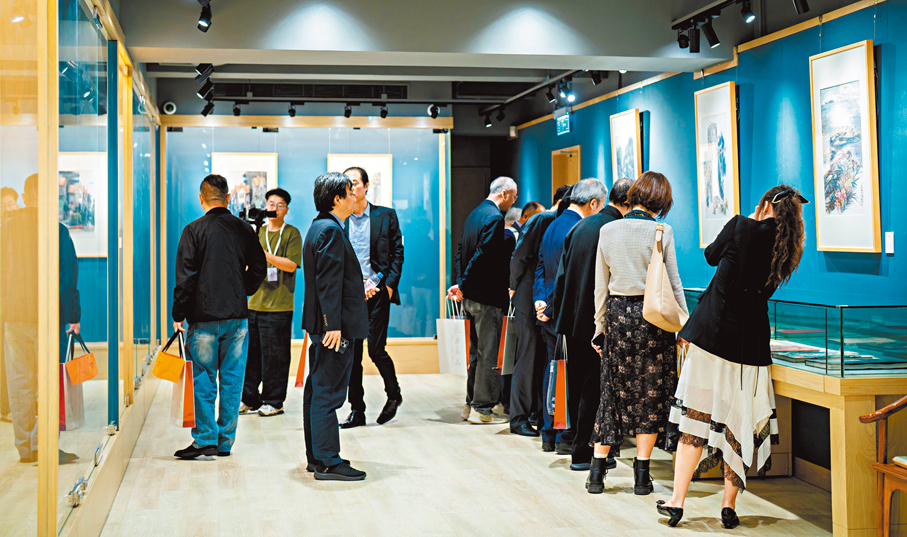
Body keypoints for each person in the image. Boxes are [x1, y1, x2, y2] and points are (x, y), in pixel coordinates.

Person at [656, 186, 808, 528]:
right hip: (751, 345)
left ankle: (677, 501)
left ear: (765, 204)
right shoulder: (787, 246)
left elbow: (711, 255)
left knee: (695, 420)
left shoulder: (741, 225)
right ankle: (728, 506)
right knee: (738, 423)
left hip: (712, 336)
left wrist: (748, 220)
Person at [588, 171, 687, 495]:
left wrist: (600, 327)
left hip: (618, 316)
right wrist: (684, 324)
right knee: (650, 394)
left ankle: (596, 473)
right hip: (653, 319)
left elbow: (600, 285)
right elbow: (673, 283)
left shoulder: (608, 230)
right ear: (661, 201)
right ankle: (642, 476)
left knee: (612, 392)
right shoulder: (662, 231)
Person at [172, 174, 267, 459]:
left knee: (202, 378)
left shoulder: (193, 230)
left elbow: (185, 278)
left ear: (201, 198)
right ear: (228, 198)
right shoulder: (243, 228)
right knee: (232, 380)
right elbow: (259, 268)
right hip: (237, 317)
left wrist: (178, 314)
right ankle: (225, 442)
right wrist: (242, 290)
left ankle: (205, 439)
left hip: (202, 318)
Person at [549, 178, 634, 471]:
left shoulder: (580, 226)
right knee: (595, 389)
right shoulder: (615, 229)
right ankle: (589, 452)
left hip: (571, 318)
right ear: (629, 203)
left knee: (577, 385)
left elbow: (561, 277)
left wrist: (559, 315)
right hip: (597, 320)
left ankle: (579, 448)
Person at [1, 175, 81, 463]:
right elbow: (68, 276)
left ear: (24, 196)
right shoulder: (56, 230)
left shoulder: (7, 228)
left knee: (19, 382)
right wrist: (73, 316)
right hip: (47, 315)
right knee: (48, 380)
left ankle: (25, 447)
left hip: (13, 315)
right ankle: (44, 445)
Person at [301, 172, 373, 481]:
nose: (355, 196)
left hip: (326, 324)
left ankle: (317, 456)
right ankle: (328, 461)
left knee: (318, 390)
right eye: (349, 191)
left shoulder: (320, 226)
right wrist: (333, 325)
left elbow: (332, 280)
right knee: (328, 393)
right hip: (333, 329)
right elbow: (328, 283)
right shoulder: (330, 230)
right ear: (336, 199)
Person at [534, 180, 606, 455]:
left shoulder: (552, 223)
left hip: (550, 309)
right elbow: (567, 277)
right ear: (593, 203)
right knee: (569, 376)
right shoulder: (579, 228)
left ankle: (550, 431)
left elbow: (542, 267)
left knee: (554, 371)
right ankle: (565, 434)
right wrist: (550, 307)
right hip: (564, 312)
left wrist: (540, 300)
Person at [447, 176, 518, 424]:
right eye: (514, 196)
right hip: (487, 297)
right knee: (488, 353)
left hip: (470, 297)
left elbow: (460, 252)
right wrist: (463, 284)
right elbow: (482, 256)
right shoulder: (495, 218)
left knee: (476, 354)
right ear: (504, 194)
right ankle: (483, 409)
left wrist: (461, 284)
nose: (514, 201)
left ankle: (470, 405)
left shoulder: (474, 214)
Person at [339, 166, 405, 429]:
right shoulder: (339, 219)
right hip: (351, 297)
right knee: (352, 356)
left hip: (377, 293)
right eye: (347, 183)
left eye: (355, 182)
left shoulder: (385, 215)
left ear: (366, 186)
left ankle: (394, 394)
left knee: (376, 351)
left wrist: (388, 287)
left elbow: (397, 253)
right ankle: (357, 410)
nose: (351, 187)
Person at [508, 186, 569, 438]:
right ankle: (518, 418)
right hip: (528, 296)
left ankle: (535, 413)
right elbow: (520, 255)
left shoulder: (555, 221)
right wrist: (513, 286)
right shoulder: (542, 219)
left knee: (542, 359)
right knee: (528, 356)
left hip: (543, 297)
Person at [240, 188, 302, 417]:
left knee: (276, 356)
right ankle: (249, 398)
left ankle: (274, 401)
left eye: (279, 205)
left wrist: (264, 255)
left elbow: (291, 265)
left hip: (279, 306)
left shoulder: (291, 233)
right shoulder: (257, 231)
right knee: (250, 356)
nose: (274, 208)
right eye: (270, 204)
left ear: (286, 209)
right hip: (253, 303)